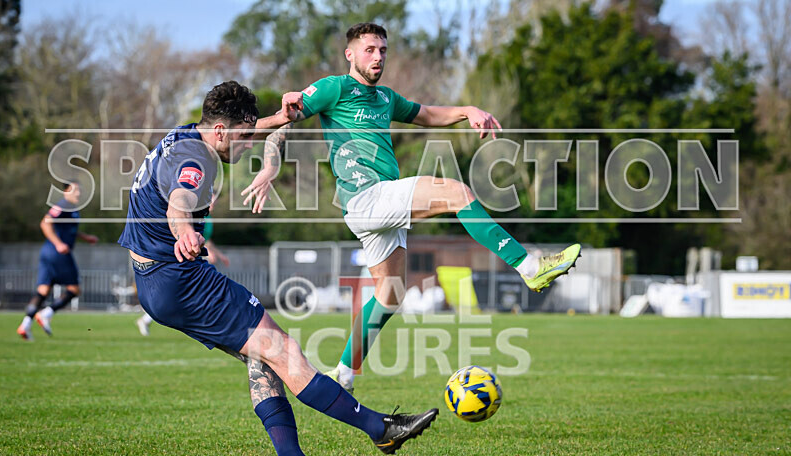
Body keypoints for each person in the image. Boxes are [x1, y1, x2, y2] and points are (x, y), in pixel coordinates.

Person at [118, 81, 438, 456]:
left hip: (154, 281)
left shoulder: (188, 133)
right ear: (221, 132)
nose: (250, 143)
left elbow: (272, 125)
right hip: (182, 279)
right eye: (244, 137)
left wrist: (275, 146)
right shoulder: (195, 161)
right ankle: (381, 429)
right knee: (285, 353)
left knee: (263, 359)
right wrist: (184, 231)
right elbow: (179, 201)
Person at [242, 22, 582, 393]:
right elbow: (280, 124)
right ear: (350, 54)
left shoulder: (385, 98)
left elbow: (428, 114)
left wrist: (468, 109)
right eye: (370, 49)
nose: (378, 56)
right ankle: (529, 265)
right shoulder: (334, 88)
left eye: (383, 50)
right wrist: (269, 168)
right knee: (456, 192)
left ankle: (344, 372)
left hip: (378, 203)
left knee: (391, 293)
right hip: (366, 197)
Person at [17, 182, 99, 341]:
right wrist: (58, 244)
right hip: (57, 253)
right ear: (65, 192)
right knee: (74, 289)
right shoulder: (63, 205)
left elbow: (68, 229)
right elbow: (45, 222)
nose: (78, 194)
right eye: (75, 191)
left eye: (80, 191)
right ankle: (46, 314)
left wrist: (85, 237)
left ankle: (25, 325)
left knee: (43, 290)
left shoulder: (72, 209)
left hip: (48, 253)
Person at [135, 199, 228, 337]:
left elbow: (206, 239)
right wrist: (209, 252)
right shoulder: (195, 214)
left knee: (182, 292)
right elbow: (187, 233)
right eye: (211, 200)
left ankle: (147, 319)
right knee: (177, 293)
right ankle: (147, 319)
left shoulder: (207, 218)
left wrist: (220, 255)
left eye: (215, 201)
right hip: (180, 256)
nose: (213, 203)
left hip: (193, 256)